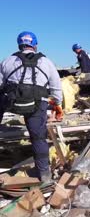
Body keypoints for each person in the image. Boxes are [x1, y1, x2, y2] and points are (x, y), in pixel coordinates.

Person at [0, 32, 63, 183]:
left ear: (19, 44)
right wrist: (57, 104)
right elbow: (56, 87)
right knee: (38, 138)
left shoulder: (7, 60)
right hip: (36, 104)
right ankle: (44, 174)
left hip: (12, 103)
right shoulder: (46, 62)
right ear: (35, 45)